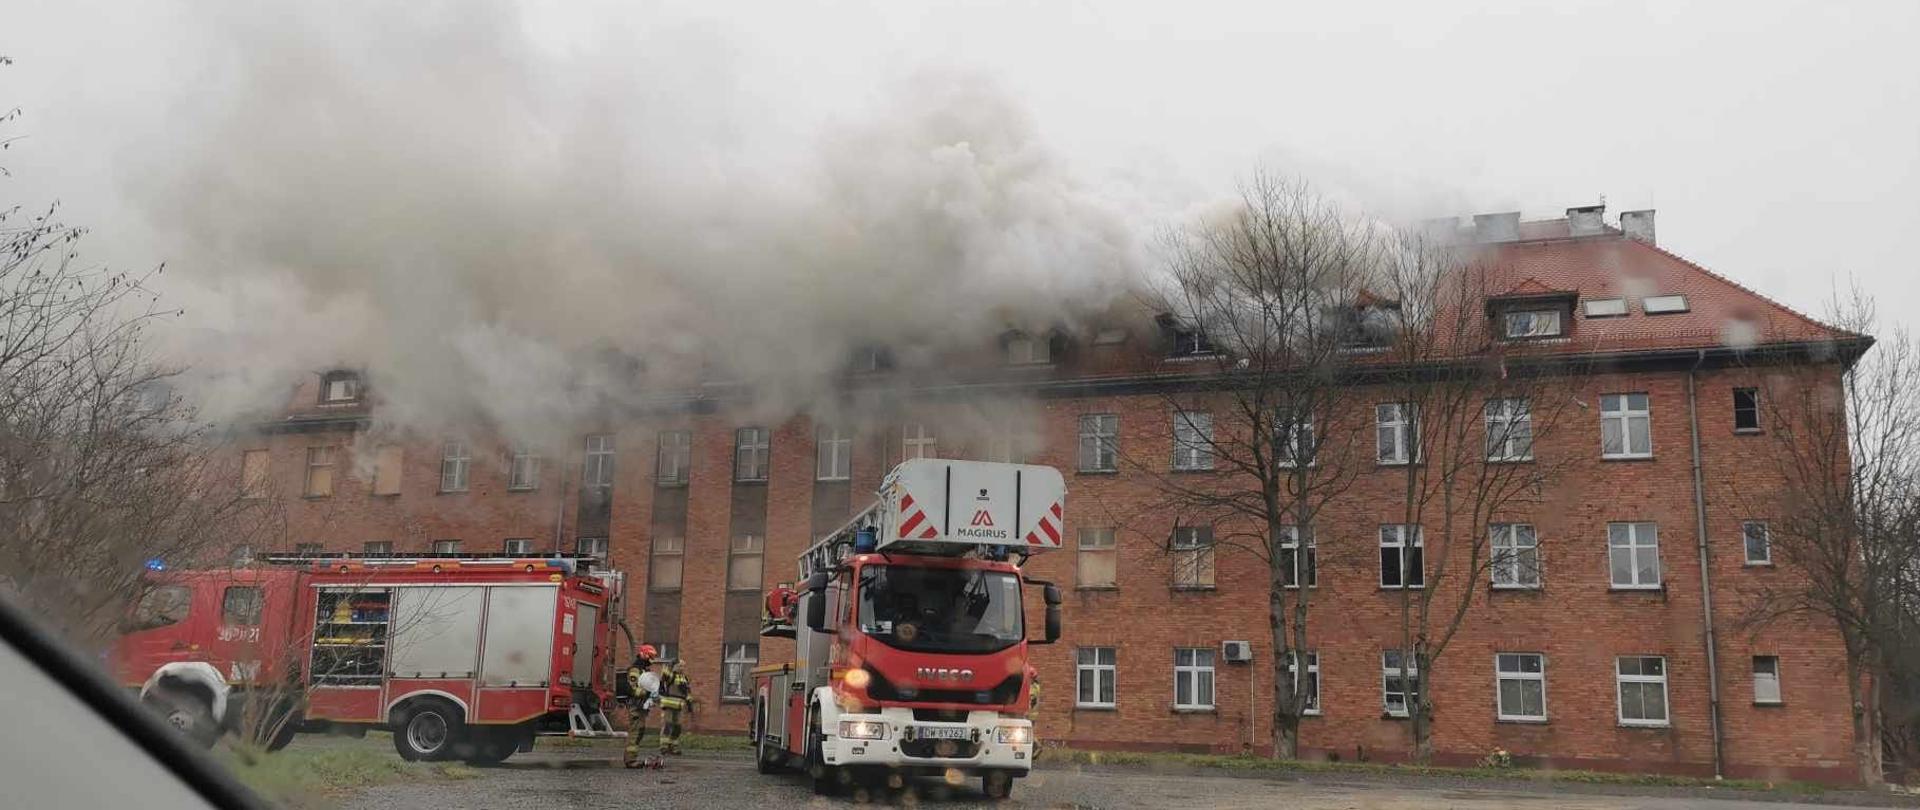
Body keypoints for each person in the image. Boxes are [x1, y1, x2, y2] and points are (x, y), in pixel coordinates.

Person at [623, 645, 660, 768]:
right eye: (650, 656)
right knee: (635, 731)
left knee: (640, 731)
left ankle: (632, 758)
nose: (652, 660)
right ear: (644, 654)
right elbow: (632, 689)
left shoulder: (645, 671)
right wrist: (647, 692)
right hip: (635, 706)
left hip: (642, 706)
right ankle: (630, 760)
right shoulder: (635, 670)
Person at [656, 658, 696, 755]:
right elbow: (664, 676)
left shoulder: (684, 678)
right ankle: (664, 746)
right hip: (669, 704)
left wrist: (690, 703)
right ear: (675, 666)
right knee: (668, 724)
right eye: (680, 665)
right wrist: (667, 667)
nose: (682, 668)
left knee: (677, 727)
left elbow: (687, 692)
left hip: (679, 706)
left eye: (683, 666)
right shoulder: (671, 675)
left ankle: (673, 746)